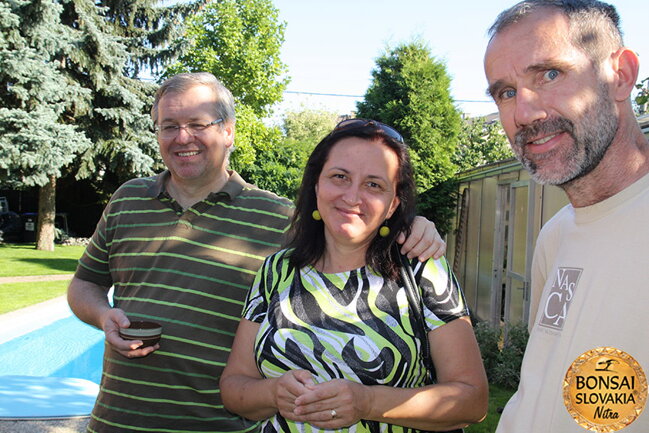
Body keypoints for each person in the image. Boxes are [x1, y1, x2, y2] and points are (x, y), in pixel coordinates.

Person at [67, 72, 449, 433]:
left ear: (228, 131)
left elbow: (349, 225)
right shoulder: (127, 199)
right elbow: (84, 284)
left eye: (198, 124)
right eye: (169, 126)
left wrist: (409, 225)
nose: (183, 137)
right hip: (117, 420)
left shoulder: (279, 217)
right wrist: (103, 316)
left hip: (220, 427)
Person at [220, 119, 488, 432]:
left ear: (392, 205)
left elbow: (473, 401)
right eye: (340, 177)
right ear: (317, 185)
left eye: (373, 184)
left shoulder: (422, 269)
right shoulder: (275, 272)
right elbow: (233, 388)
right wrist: (273, 393)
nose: (352, 197)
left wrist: (366, 402)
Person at [484, 1, 649, 432]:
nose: (524, 114)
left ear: (621, 75)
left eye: (550, 74)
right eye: (505, 92)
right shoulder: (555, 236)